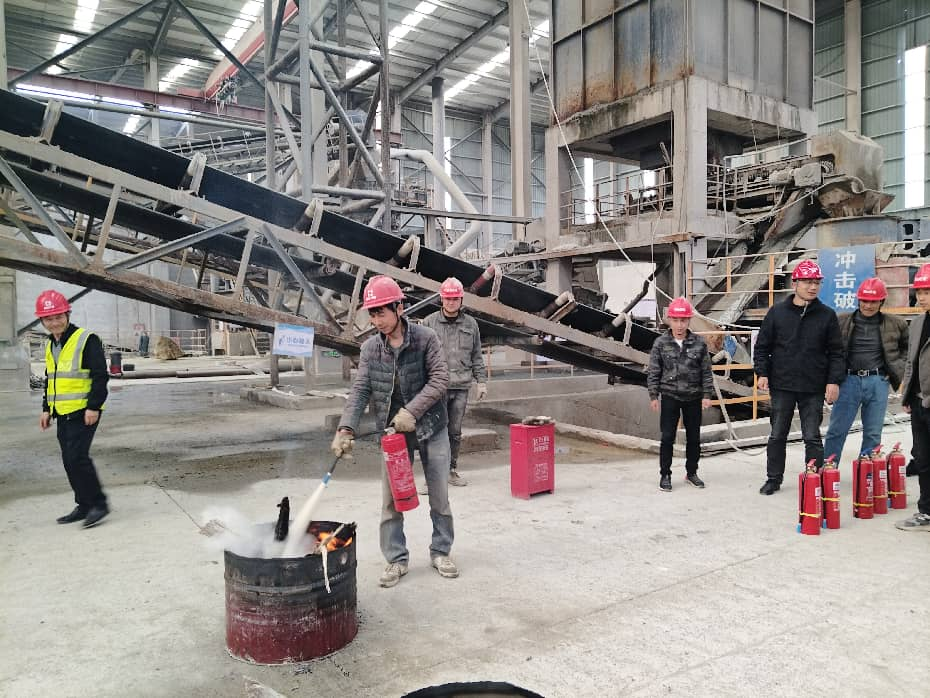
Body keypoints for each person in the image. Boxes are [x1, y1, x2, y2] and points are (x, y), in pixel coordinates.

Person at [331, 275, 459, 586]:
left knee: (439, 496)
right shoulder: (370, 349)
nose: (377, 321)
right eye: (372, 315)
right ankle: (396, 559)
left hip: (432, 427)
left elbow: (440, 380)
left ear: (399, 308)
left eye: (381, 313)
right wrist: (345, 428)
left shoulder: (426, 338)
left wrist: (412, 411)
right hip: (394, 435)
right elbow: (361, 389)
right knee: (390, 502)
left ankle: (441, 551)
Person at [753, 260, 845, 495]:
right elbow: (762, 347)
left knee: (812, 436)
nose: (812, 287)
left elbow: (837, 352)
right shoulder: (777, 313)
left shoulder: (827, 315)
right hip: (782, 384)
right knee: (777, 435)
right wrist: (762, 372)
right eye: (807, 282)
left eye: (816, 282)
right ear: (795, 283)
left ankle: (814, 479)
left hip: (813, 386)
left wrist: (833, 381)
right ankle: (773, 479)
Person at [36, 290, 110, 528]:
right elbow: (51, 379)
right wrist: (46, 409)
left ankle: (99, 504)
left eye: (58, 316)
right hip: (62, 412)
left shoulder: (86, 339)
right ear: (42, 321)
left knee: (78, 457)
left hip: (83, 410)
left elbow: (100, 376)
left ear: (67, 314)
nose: (54, 322)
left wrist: (93, 407)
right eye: (48, 319)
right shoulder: (51, 344)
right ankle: (84, 505)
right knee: (69, 460)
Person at [822, 278, 908, 463]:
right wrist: (831, 380)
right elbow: (829, 350)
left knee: (873, 433)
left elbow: (906, 349)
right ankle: (827, 471)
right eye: (864, 301)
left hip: (878, 382)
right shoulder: (842, 321)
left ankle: (867, 474)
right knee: (837, 430)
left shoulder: (896, 324)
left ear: (881, 301)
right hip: (848, 381)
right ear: (858, 300)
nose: (868, 305)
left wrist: (896, 370)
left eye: (873, 301)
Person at [421, 277, 488, 487]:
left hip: (461, 387)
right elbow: (419, 356)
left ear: (461, 300)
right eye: (448, 298)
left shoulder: (471, 325)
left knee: (454, 432)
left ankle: (451, 470)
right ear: (442, 299)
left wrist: (482, 382)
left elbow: (476, 355)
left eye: (455, 299)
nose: (451, 302)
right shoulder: (429, 323)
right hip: (436, 387)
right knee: (433, 431)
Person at [647, 297, 714, 492]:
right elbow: (654, 371)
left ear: (689, 320)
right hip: (670, 397)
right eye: (675, 320)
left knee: (694, 438)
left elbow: (706, 371)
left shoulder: (699, 343)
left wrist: (707, 395)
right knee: (667, 437)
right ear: (669, 320)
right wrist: (653, 396)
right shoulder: (660, 343)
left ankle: (691, 472)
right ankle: (665, 475)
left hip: (693, 397)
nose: (679, 325)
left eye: (683, 320)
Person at [896, 263, 930, 531]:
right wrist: (907, 394)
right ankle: (926, 511)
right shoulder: (918, 322)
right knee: (923, 458)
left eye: (927, 291)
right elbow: (911, 362)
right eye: (919, 292)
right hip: (919, 402)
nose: (922, 297)